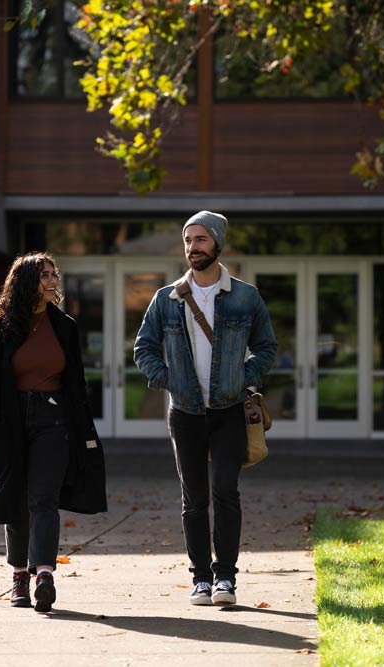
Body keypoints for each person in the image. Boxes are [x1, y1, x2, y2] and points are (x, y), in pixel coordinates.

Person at [133, 211, 277, 606]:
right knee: (194, 498)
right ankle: (200, 578)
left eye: (200, 239)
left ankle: (225, 579)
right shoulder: (167, 298)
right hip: (185, 412)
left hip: (229, 409)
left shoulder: (246, 296)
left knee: (225, 492)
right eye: (187, 240)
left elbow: (267, 347)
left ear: (217, 243)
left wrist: (243, 376)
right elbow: (143, 347)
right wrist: (167, 378)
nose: (192, 247)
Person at [0, 252, 107, 612]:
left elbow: (75, 383)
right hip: (12, 422)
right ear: (25, 282)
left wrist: (82, 428)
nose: (53, 281)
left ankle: (44, 573)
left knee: (44, 498)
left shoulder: (64, 326)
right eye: (44, 275)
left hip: (54, 420)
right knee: (17, 500)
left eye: (54, 274)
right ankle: (19, 575)